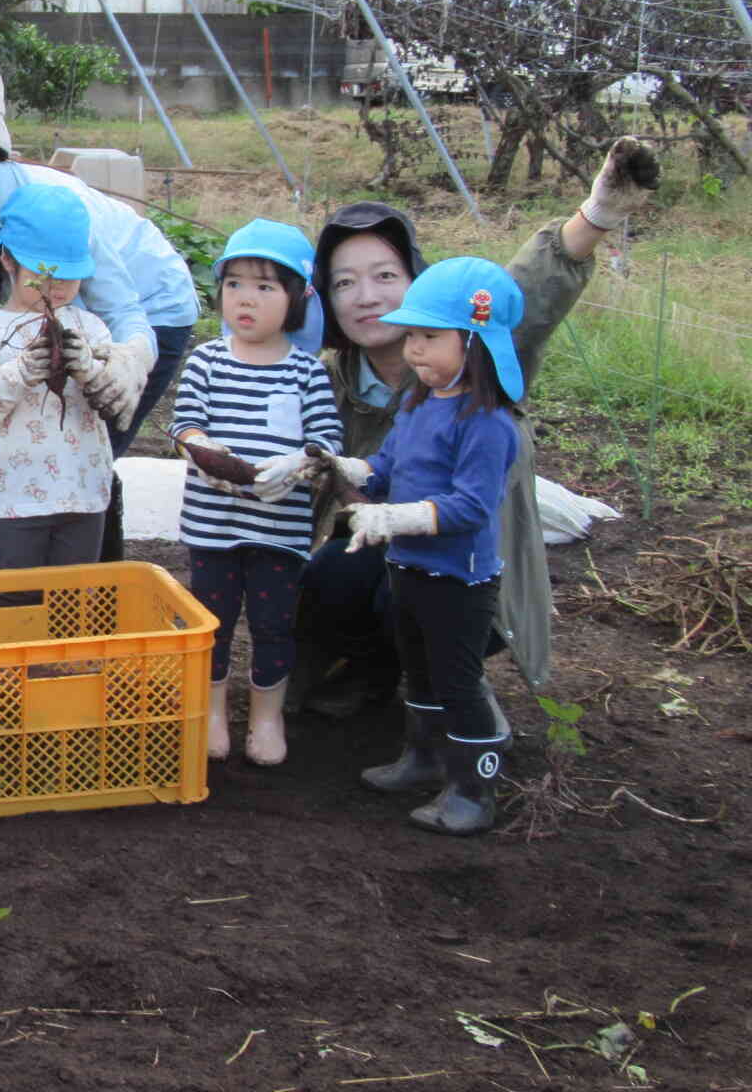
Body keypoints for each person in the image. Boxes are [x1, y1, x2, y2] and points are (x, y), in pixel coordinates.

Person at [299, 137, 660, 716]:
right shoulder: (327, 381)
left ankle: (457, 702)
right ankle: (361, 672)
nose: (366, 297)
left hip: (464, 564)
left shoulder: (474, 367)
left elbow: (527, 288)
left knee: (411, 600)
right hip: (378, 548)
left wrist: (599, 213)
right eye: (344, 283)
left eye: (385, 275)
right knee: (324, 575)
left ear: (415, 283)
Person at [0, 51, 198, 562]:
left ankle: (92, 594)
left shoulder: (52, 205)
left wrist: (124, 363)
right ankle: (45, 584)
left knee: (87, 449)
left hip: (150, 309)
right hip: (58, 315)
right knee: (48, 450)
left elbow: (125, 313)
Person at [308, 258, 526, 836]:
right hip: (408, 567)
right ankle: (422, 758)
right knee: (419, 668)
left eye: (431, 337)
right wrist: (342, 466)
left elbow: (471, 507)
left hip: (459, 578)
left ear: (475, 342)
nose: (415, 350)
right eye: (413, 337)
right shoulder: (417, 402)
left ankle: (473, 789)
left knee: (458, 681)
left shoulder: (488, 423)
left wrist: (394, 518)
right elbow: (388, 467)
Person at [172, 220, 342, 767]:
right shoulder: (207, 361)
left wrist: (299, 464)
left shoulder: (306, 373)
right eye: (235, 284)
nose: (246, 298)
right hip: (213, 523)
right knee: (212, 621)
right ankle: (213, 713)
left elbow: (326, 442)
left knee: (273, 624)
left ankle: (268, 717)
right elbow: (183, 425)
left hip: (279, 528)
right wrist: (205, 453)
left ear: (297, 299)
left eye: (266, 287)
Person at [0, 184, 115, 571]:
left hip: (84, 491)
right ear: (9, 260)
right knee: (17, 600)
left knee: (73, 601)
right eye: (43, 274)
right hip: (13, 496)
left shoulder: (91, 329)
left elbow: (114, 401)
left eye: (69, 275)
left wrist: (89, 370)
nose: (56, 286)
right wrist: (23, 370)